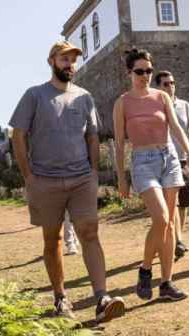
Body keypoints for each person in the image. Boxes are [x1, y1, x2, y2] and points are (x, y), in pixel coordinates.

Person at [10, 41, 126, 322]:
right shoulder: (34, 95)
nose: (69, 64)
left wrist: (94, 172)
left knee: (89, 233)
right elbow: (18, 135)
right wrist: (29, 176)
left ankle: (102, 298)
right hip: (45, 181)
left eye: (73, 60)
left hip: (81, 179)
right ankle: (61, 297)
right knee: (54, 240)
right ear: (51, 61)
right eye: (64, 58)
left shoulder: (84, 96)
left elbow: (93, 136)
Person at [113, 48, 189, 302]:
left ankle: (166, 283)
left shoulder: (162, 97)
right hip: (142, 162)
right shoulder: (122, 103)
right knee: (161, 219)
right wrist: (121, 177)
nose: (145, 75)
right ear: (129, 72)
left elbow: (176, 127)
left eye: (149, 70)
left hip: (170, 158)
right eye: (140, 71)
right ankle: (145, 269)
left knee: (171, 223)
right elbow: (119, 143)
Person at [154, 70, 189, 260]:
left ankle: (177, 236)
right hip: (165, 160)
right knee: (173, 199)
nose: (170, 87)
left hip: (184, 158)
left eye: (172, 83)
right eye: (165, 84)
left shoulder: (183, 105)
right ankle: (176, 240)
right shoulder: (155, 106)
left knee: (185, 198)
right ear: (158, 87)